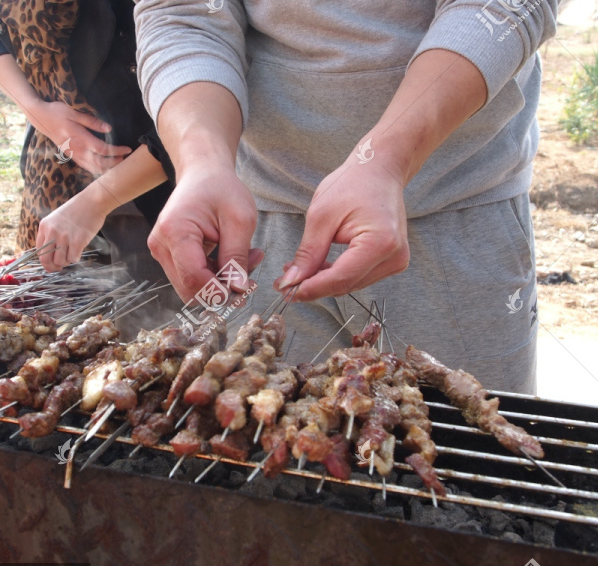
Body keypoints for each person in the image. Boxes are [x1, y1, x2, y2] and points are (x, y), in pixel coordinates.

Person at [135, 0, 558, 393]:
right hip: (252, 225)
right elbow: (182, 12)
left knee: (467, 458)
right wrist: (201, 160)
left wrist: (389, 158)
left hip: (452, 210)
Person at [0, 0, 178, 286]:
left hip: (159, 192)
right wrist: (38, 112)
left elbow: (195, 115)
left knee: (158, 322)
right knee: (69, 321)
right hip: (57, 185)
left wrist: (95, 203)